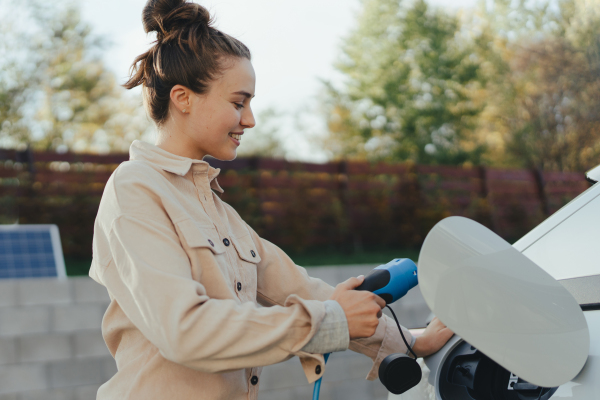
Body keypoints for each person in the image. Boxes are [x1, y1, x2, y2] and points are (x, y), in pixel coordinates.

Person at [89, 1, 454, 399]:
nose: (250, 119)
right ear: (183, 98)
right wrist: (329, 319)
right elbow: (185, 330)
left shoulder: (220, 213)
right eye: (238, 102)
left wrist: (411, 341)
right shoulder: (133, 190)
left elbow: (303, 290)